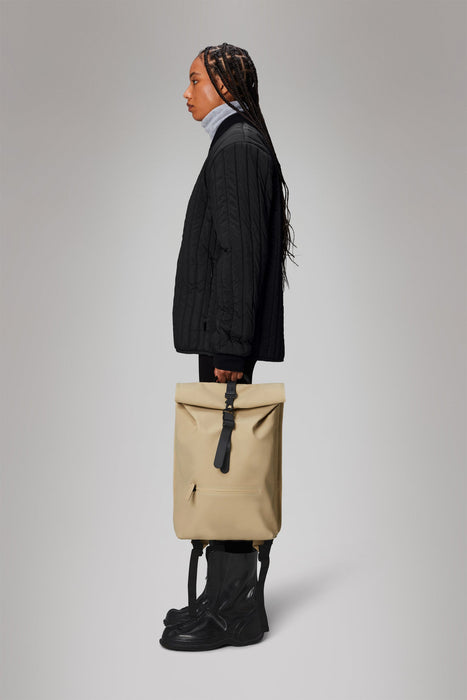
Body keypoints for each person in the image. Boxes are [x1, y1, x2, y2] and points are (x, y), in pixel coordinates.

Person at [160, 43, 296, 651]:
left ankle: (233, 611)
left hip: (226, 342)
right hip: (223, 336)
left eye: (195, 80)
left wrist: (232, 352)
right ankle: (223, 599)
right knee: (223, 468)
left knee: (229, 470)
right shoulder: (236, 142)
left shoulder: (238, 147)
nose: (186, 93)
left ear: (223, 83)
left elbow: (240, 255)